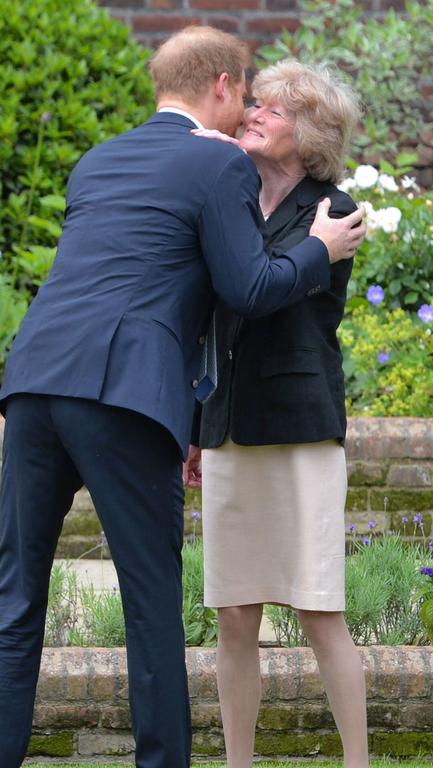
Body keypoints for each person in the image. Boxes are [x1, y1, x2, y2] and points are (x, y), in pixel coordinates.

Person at [0, 27, 365, 768]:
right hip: (124, 396)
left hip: (32, 382)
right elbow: (247, 286)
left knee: (12, 603)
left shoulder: (99, 160)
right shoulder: (215, 167)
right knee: (151, 608)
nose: (252, 111)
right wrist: (317, 253)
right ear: (225, 87)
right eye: (249, 96)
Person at [187, 60, 369, 768]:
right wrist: (200, 429)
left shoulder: (336, 209)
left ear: (312, 132)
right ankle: (238, 763)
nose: (254, 114)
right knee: (235, 616)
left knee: (320, 608)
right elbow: (212, 320)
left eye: (275, 109)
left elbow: (264, 292)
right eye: (254, 104)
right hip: (230, 426)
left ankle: (357, 762)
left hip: (300, 428)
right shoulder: (230, 198)